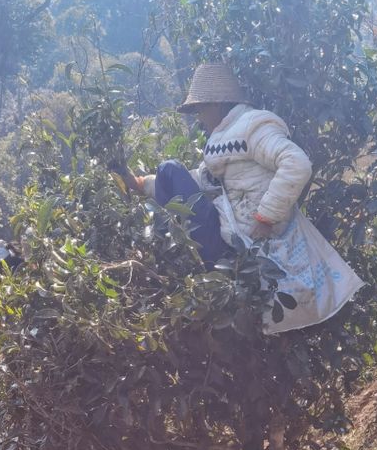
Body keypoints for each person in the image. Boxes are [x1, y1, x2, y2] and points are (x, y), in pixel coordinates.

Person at [120, 62, 364, 333]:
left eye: (200, 109)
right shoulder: (226, 138)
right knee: (169, 173)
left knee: (169, 168)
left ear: (216, 103)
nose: (199, 117)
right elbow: (201, 181)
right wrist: (142, 184)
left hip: (237, 243)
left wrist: (266, 216)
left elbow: (296, 163)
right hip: (233, 237)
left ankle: (175, 253)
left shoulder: (252, 127)